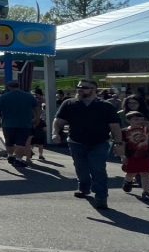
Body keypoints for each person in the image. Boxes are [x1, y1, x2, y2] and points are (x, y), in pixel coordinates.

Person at [52, 79, 123, 210]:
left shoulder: (105, 106)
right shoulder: (69, 103)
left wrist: (118, 143)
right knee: (80, 167)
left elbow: (115, 126)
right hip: (76, 142)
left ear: (94, 90)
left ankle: (101, 197)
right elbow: (59, 120)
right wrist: (55, 132)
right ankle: (84, 188)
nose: (80, 89)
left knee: (97, 168)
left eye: (84, 87)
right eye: (79, 87)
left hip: (100, 143)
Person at [0, 79, 40, 169]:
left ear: (9, 87)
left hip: (8, 124)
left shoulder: (3, 97)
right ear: (18, 86)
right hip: (24, 124)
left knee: (9, 142)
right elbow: (37, 107)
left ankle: (10, 155)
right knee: (20, 143)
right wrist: (37, 118)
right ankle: (18, 160)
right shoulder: (29, 96)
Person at [120, 112, 149, 202]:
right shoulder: (125, 131)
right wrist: (122, 156)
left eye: (141, 120)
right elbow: (122, 145)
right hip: (131, 156)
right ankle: (128, 180)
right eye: (136, 120)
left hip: (145, 155)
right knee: (131, 173)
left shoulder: (146, 130)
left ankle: (146, 192)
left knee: (145, 173)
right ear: (128, 121)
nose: (139, 121)